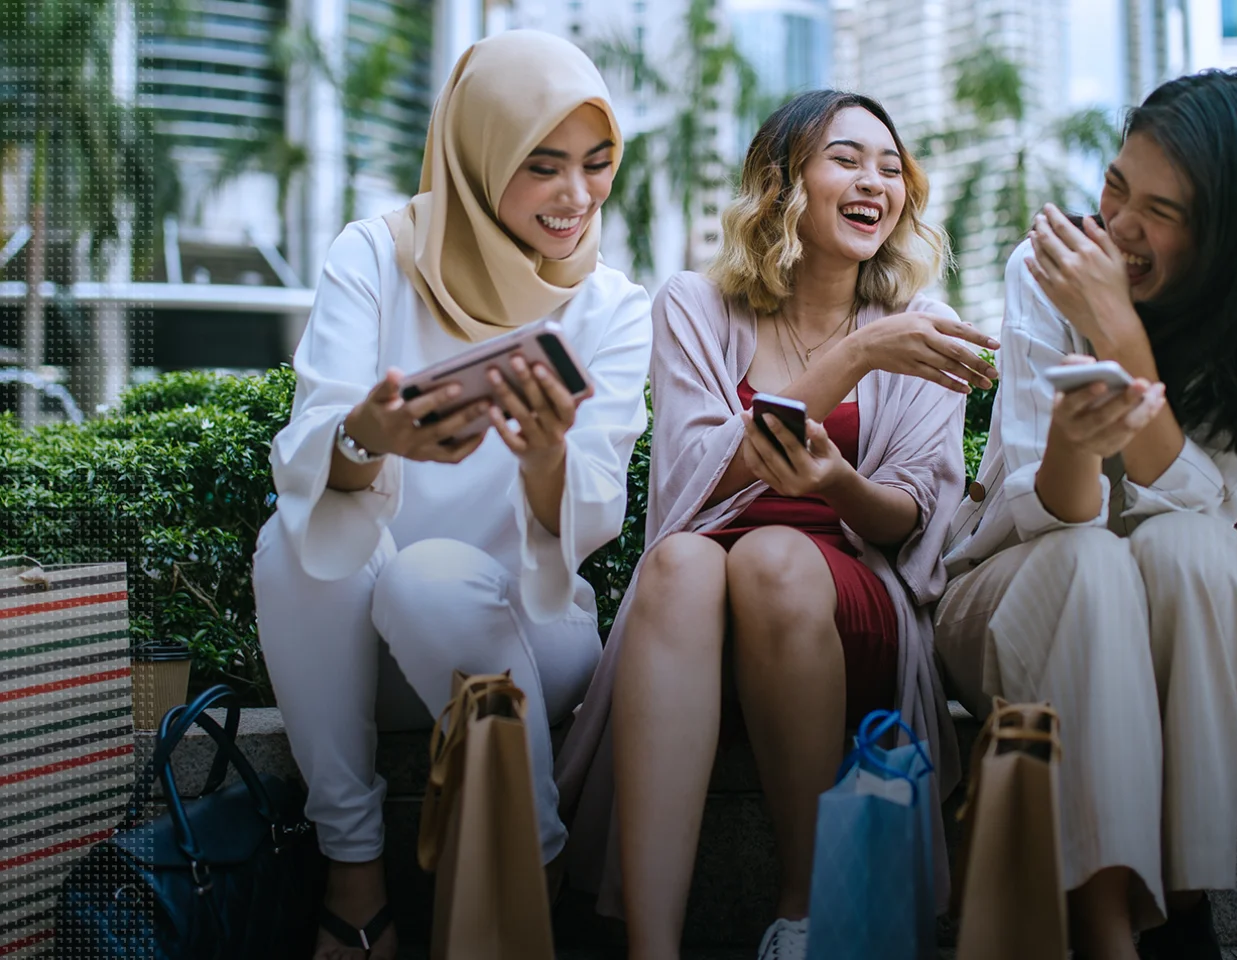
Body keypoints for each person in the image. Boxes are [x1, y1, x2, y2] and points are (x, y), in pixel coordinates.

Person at [553, 90, 998, 960]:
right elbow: (694, 480)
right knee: (681, 564)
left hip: (843, 597)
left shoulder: (921, 330)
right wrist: (854, 357)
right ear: (783, 181)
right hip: (697, 606)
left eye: (889, 166)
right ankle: (652, 946)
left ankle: (803, 917)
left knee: (777, 559)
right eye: (846, 158)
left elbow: (912, 519)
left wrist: (838, 485)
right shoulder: (693, 305)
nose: (876, 181)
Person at [251, 30, 651, 960]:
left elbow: (590, 518)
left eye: (597, 165)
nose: (577, 196)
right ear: (475, 157)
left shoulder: (611, 305)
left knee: (429, 577)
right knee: (293, 538)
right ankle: (356, 883)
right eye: (542, 165)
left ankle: (534, 865)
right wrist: (371, 435)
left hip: (526, 633)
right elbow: (313, 451)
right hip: (356, 658)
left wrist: (545, 452)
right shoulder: (377, 255)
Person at [936, 69, 1237, 960]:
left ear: (1234, 234)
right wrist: (1076, 444)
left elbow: (1205, 510)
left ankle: (1186, 905)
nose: (1117, 226)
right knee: (1094, 565)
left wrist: (1120, 335)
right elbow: (1038, 520)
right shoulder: (1046, 270)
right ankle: (1112, 927)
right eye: (1115, 185)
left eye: (1159, 212)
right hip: (1013, 596)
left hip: (1172, 613)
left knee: (1190, 552)